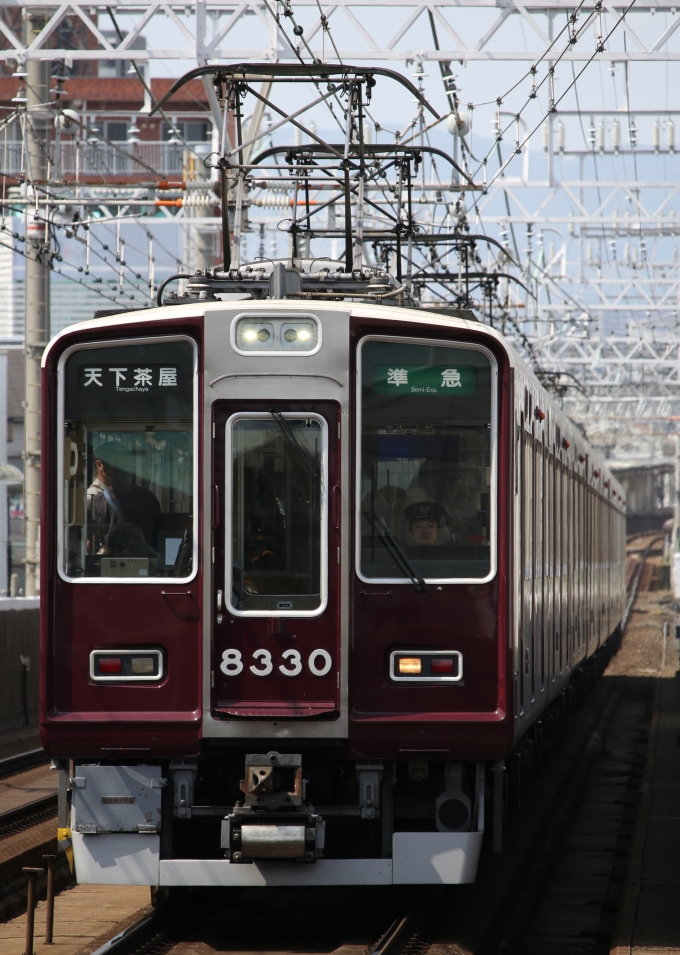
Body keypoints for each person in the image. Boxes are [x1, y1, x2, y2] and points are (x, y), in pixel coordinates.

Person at [87, 442, 161, 555]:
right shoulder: (95, 502)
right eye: (119, 466)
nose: (126, 471)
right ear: (105, 469)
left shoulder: (148, 499)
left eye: (128, 465)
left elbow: (158, 535)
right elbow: (91, 544)